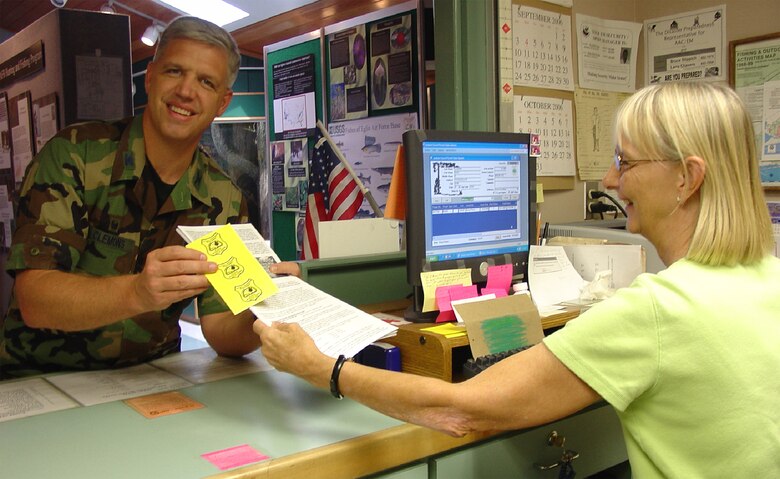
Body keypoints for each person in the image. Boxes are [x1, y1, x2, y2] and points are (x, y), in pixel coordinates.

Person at [254, 82, 780, 478]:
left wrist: (322, 367)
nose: (611, 181)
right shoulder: (767, 276)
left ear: (686, 178)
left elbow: (460, 411)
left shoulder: (660, 310)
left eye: (625, 161)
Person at [1, 17, 265, 378]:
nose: (187, 91)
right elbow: (35, 298)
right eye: (175, 71)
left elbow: (221, 330)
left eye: (206, 82)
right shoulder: (75, 156)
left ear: (222, 102)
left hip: (148, 379)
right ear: (151, 77)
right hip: (40, 376)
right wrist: (138, 292)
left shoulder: (224, 199)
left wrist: (269, 312)